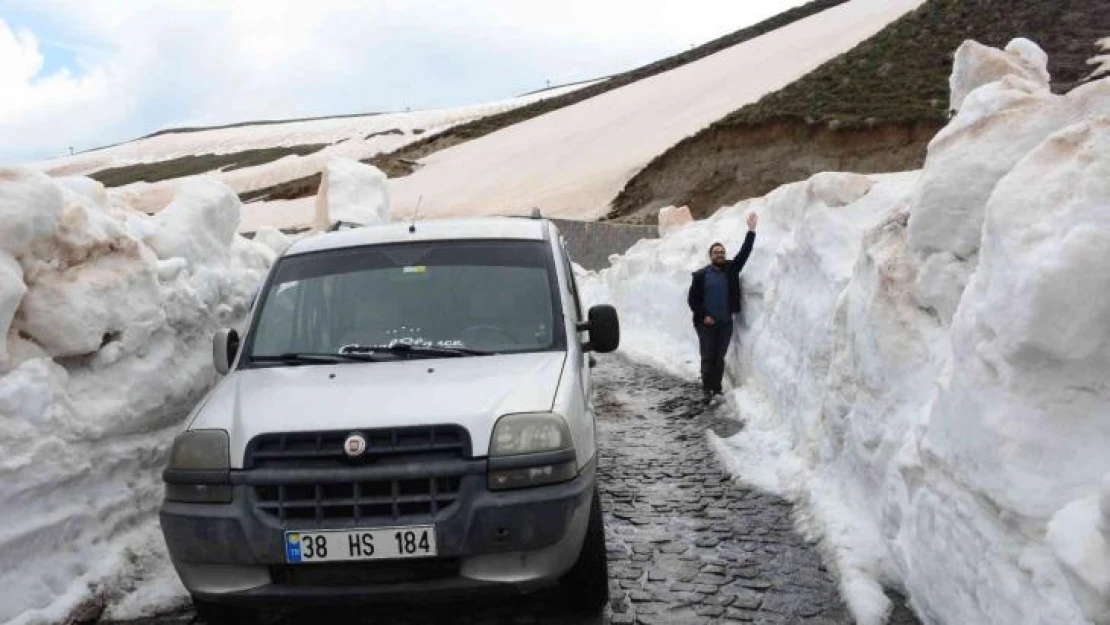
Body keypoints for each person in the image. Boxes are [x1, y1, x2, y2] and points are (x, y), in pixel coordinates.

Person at [687, 213, 758, 401]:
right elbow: (692, 300)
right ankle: (706, 389)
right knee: (708, 356)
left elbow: (745, 252)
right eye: (716, 252)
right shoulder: (701, 276)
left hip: (725, 322)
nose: (719, 254)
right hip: (705, 323)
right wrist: (704, 316)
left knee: (720, 357)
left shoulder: (731, 269)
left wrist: (751, 231)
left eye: (722, 252)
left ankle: (716, 389)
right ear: (710, 256)